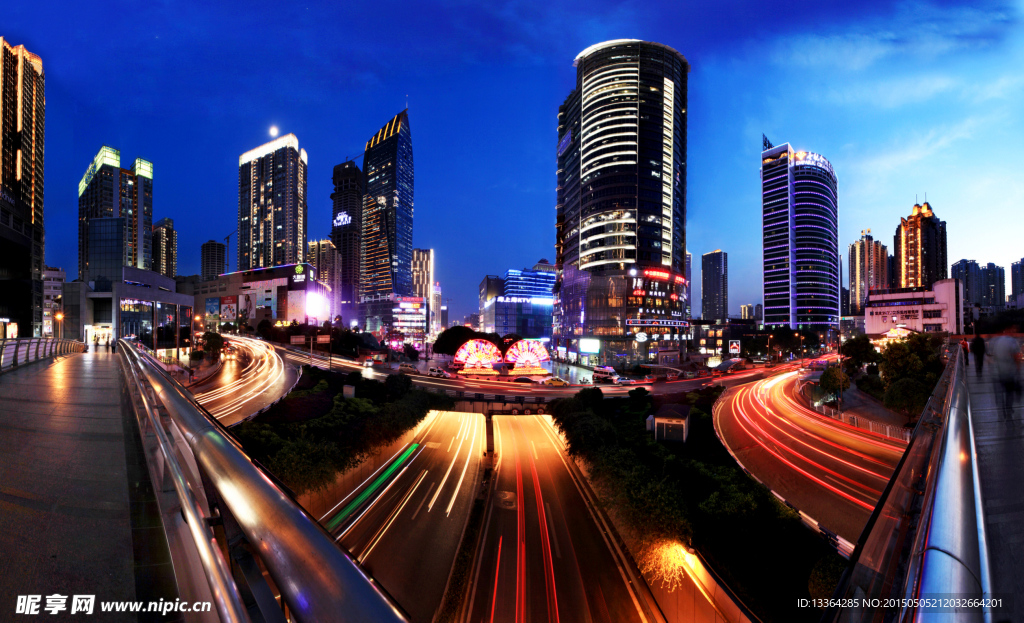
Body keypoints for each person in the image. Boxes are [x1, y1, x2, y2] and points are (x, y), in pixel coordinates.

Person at [990, 327, 1021, 421]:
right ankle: (1008, 409)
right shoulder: (1012, 341)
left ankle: (1002, 408)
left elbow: (993, 355)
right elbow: (1016, 356)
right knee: (1009, 392)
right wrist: (1018, 369)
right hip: (1009, 371)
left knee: (1001, 392)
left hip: (999, 371)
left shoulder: (997, 341)